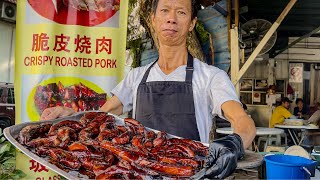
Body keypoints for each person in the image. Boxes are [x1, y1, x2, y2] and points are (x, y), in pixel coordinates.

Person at [40, 0, 256, 178]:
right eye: (165, 10)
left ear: (191, 23)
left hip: (189, 174)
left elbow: (243, 122)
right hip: (139, 173)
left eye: (181, 12)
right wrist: (71, 116)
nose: (171, 18)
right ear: (153, 20)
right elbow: (103, 114)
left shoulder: (211, 76)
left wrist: (233, 145)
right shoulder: (136, 76)